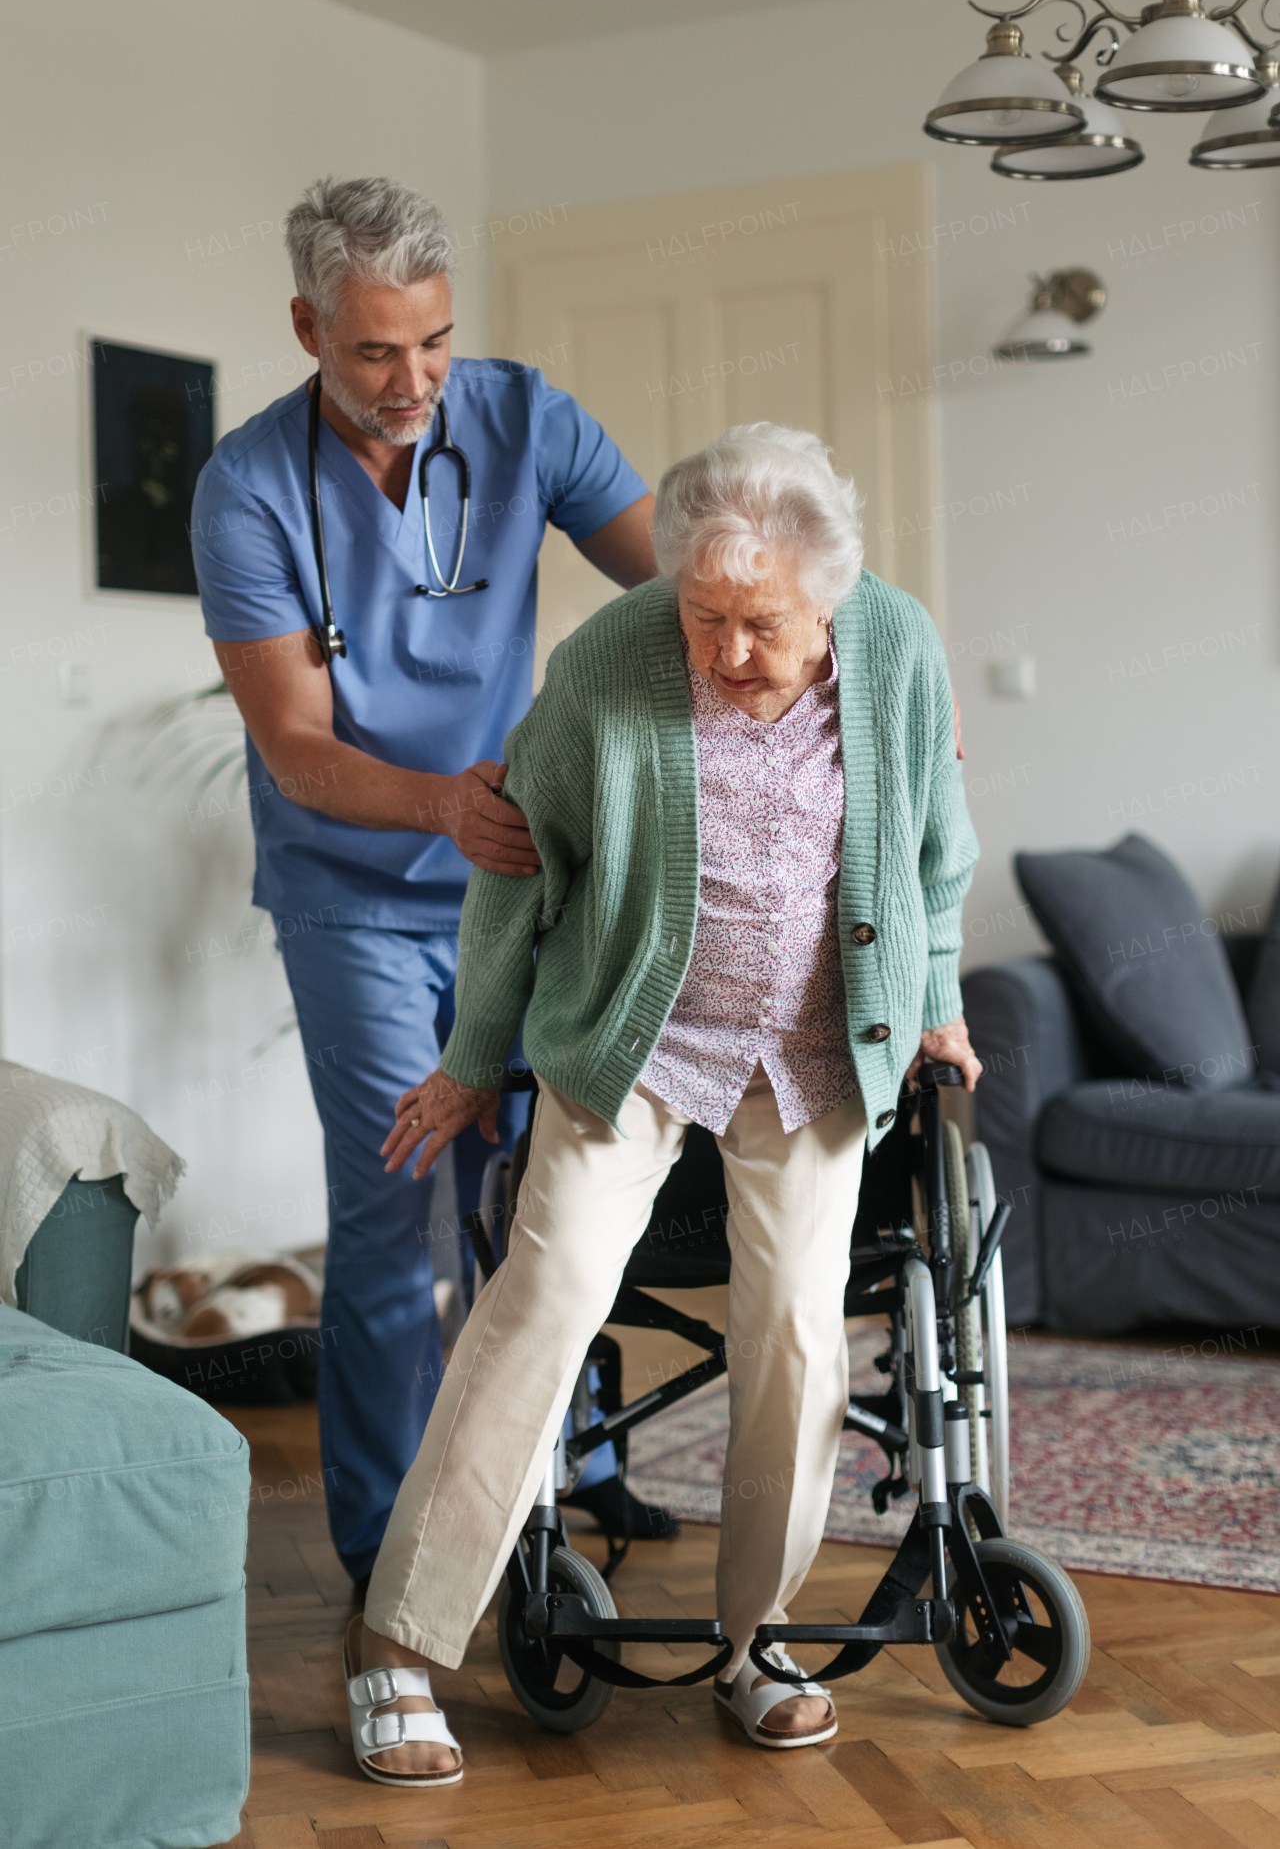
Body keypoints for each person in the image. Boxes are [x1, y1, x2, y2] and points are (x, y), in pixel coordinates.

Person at [340, 422, 982, 1787]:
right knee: (548, 1292)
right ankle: (395, 1641)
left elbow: (936, 848)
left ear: (831, 598)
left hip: (819, 1054)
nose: (728, 652)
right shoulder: (609, 664)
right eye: (703, 614)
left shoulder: (901, 648)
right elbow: (517, 866)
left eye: (761, 622)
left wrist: (940, 998)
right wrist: (472, 1059)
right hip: (632, 1046)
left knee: (802, 1337)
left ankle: (761, 1646)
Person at [190, 176, 675, 1594]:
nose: (414, 384)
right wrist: (446, 805)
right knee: (401, 1208)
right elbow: (291, 744)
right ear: (306, 328)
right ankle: (386, 1541)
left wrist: (868, 656)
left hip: (519, 888)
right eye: (373, 353)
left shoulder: (528, 419)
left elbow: (688, 589)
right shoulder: (249, 488)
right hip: (355, 891)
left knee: (546, 1188)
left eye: (434, 343)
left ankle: (571, 1471)